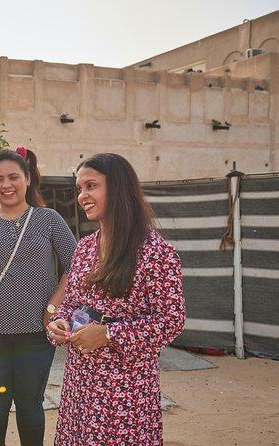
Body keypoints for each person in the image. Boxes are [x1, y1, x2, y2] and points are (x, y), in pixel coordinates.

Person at [46, 153, 186, 446]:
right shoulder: (84, 248)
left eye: (91, 186)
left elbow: (171, 320)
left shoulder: (155, 253)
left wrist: (109, 334)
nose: (82, 195)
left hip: (125, 389)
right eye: (80, 188)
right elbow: (72, 302)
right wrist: (61, 322)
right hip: (80, 381)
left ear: (119, 188)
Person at [0, 147, 77, 446]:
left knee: (30, 405)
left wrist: (54, 304)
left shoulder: (49, 219)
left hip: (37, 334)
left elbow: (76, 266)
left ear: (27, 179)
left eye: (13, 177)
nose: (6, 185)